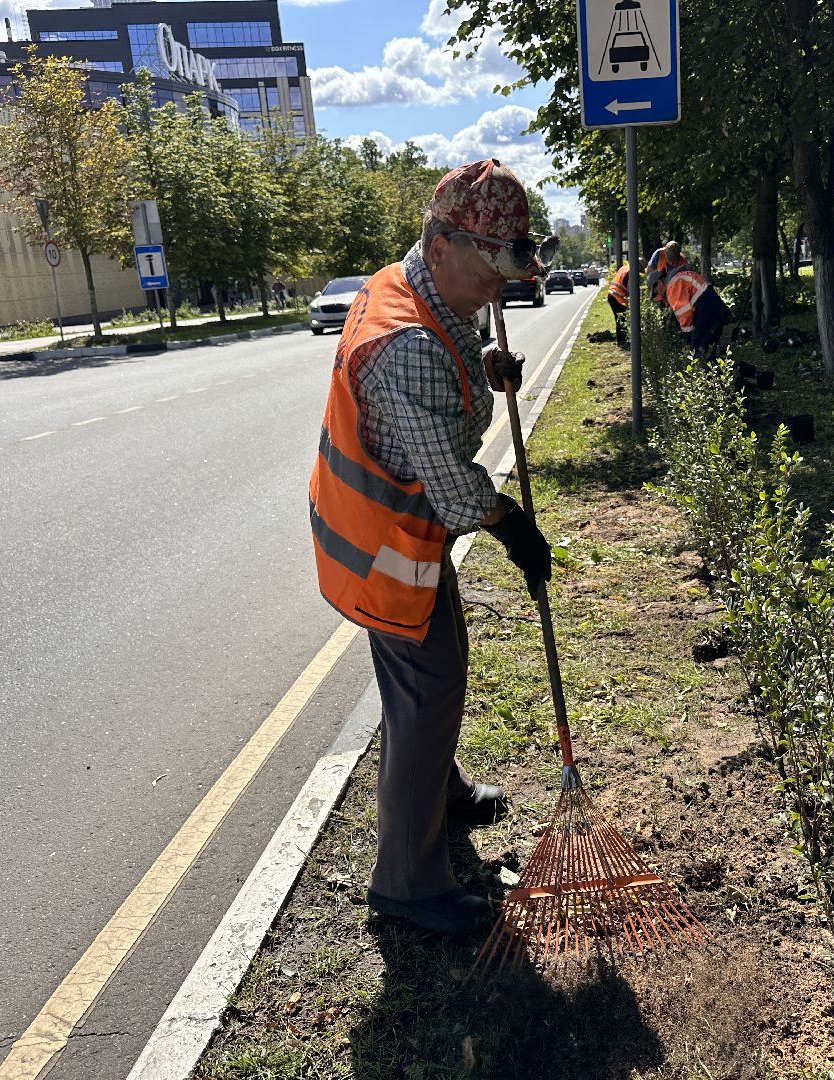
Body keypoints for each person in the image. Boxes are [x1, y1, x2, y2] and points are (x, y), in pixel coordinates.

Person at [309, 158, 555, 935]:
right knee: (432, 681)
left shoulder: (417, 288)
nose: (502, 286)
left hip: (390, 530)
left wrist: (484, 369)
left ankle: (439, 794)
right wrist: (516, 527)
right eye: (492, 266)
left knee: (426, 677)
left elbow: (432, 378)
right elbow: (454, 493)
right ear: (442, 242)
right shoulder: (405, 339)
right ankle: (407, 885)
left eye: (511, 266)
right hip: (385, 543)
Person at [654, 263, 730, 360]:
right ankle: (747, 371)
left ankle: (746, 371)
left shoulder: (672, 286)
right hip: (710, 310)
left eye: (655, 291)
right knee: (707, 355)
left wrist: (687, 336)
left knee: (701, 355)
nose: (658, 295)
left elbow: (684, 313)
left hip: (708, 313)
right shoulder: (677, 278)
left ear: (659, 282)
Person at [606, 260, 632, 347]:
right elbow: (630, 289)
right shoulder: (630, 272)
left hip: (612, 294)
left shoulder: (625, 268)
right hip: (617, 298)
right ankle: (621, 341)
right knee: (621, 320)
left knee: (620, 319)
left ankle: (622, 340)